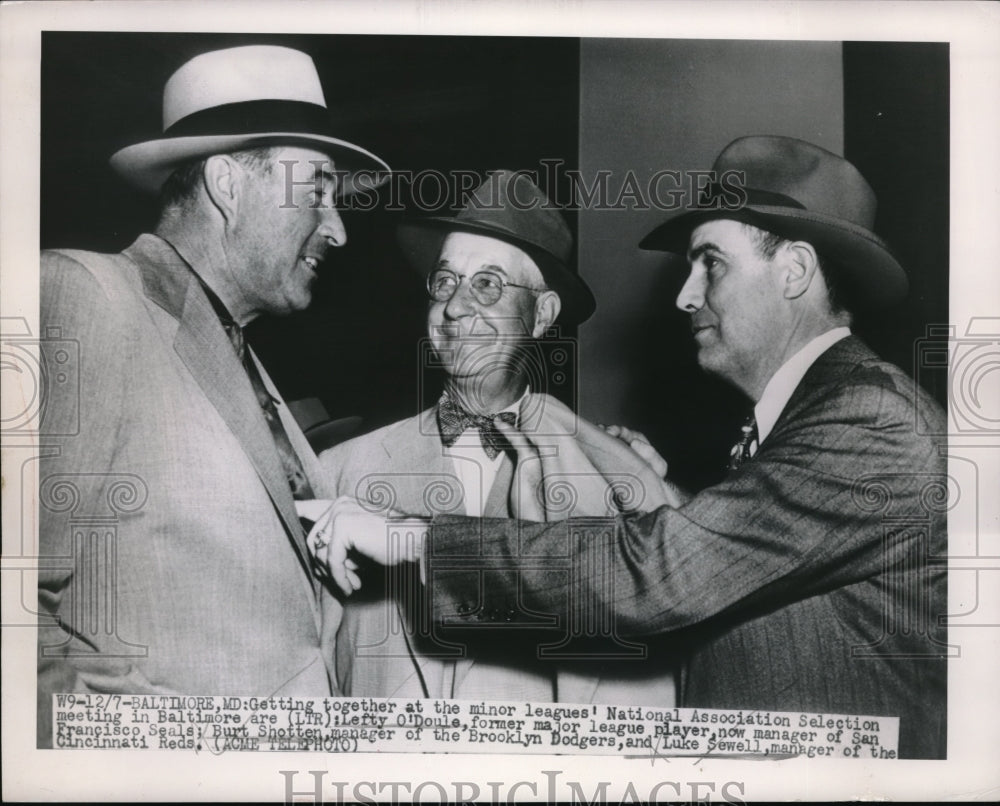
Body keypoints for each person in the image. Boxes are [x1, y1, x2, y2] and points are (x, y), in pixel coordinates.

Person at [312, 137, 948, 759]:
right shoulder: (809, 417)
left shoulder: (867, 420)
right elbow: (749, 547)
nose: (685, 295)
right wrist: (659, 490)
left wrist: (409, 538)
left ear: (796, 271)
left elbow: (663, 574)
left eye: (711, 263)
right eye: (443, 282)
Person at [36, 44, 389, 747]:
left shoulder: (241, 356)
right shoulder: (85, 295)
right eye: (316, 188)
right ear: (228, 184)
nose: (338, 228)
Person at [313, 170, 685, 704]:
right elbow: (309, 672)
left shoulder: (599, 477)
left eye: (487, 284)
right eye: (445, 282)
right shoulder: (340, 469)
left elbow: (631, 691)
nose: (456, 306)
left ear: (542, 316)